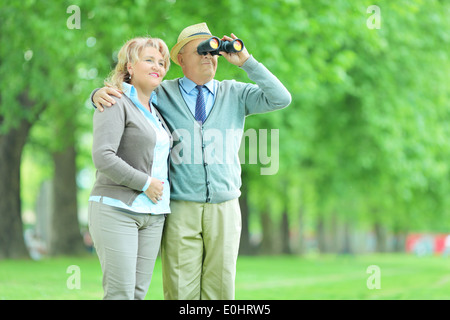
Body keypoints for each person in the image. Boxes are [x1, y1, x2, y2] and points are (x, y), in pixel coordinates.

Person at [92, 22, 291, 300]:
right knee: (180, 290)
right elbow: (126, 97)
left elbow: (281, 98)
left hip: (225, 206)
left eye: (213, 51)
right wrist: (96, 95)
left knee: (220, 291)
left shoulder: (235, 93)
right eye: (200, 50)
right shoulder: (161, 91)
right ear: (181, 60)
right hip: (180, 206)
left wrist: (247, 62)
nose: (209, 55)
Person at [88, 36, 173, 300]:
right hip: (116, 209)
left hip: (153, 215)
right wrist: (146, 183)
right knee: (120, 294)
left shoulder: (158, 110)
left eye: (161, 62)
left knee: (137, 294)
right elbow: (103, 156)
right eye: (148, 60)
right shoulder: (114, 101)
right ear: (129, 67)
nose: (157, 66)